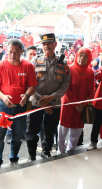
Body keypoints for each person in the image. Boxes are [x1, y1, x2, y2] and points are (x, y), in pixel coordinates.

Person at [0, 39, 37, 169]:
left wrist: (27, 95)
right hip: (3, 107)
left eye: (16, 52)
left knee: (17, 137)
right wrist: (3, 96)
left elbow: (32, 86)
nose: (12, 55)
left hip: (20, 107)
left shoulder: (28, 66)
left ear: (21, 51)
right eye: (10, 52)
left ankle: (14, 158)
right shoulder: (1, 66)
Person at [28, 33, 70, 161]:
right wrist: (43, 102)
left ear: (55, 44)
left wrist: (51, 98)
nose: (47, 46)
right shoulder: (35, 61)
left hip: (54, 103)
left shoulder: (63, 64)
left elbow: (65, 84)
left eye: (50, 43)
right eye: (44, 44)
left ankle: (46, 151)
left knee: (50, 129)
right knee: (32, 130)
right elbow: (30, 82)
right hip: (36, 102)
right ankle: (32, 154)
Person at [58, 48, 94, 154]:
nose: (82, 58)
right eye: (81, 55)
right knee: (63, 129)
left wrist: (84, 103)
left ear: (89, 59)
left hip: (82, 106)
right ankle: (61, 152)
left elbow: (92, 89)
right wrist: (77, 103)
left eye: (85, 56)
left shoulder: (90, 72)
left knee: (76, 129)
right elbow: (65, 89)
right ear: (77, 56)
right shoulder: (69, 69)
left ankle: (71, 150)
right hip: (68, 104)